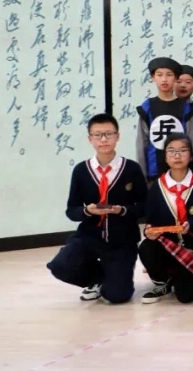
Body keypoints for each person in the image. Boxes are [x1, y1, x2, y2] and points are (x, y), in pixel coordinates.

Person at [47, 114, 148, 304]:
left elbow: (144, 207)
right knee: (60, 266)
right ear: (90, 139)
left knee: (117, 296)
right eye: (97, 135)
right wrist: (88, 211)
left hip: (122, 239)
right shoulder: (81, 170)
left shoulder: (131, 168)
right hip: (89, 235)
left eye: (109, 134)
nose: (103, 139)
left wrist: (122, 210)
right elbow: (72, 210)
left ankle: (113, 279)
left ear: (117, 136)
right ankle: (96, 279)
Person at [139, 133, 193, 304]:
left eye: (183, 151)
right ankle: (163, 281)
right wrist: (149, 231)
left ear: (191, 156)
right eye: (171, 151)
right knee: (146, 246)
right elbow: (151, 220)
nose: (177, 156)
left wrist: (192, 225)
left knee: (185, 297)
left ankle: (184, 278)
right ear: (165, 157)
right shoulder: (156, 187)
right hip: (167, 248)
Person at [136, 57, 193, 182]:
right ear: (153, 78)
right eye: (159, 75)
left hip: (182, 172)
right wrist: (142, 174)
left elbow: (191, 139)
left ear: (176, 78)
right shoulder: (147, 106)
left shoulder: (185, 107)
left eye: (169, 75)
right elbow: (142, 141)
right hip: (154, 170)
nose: (164, 79)